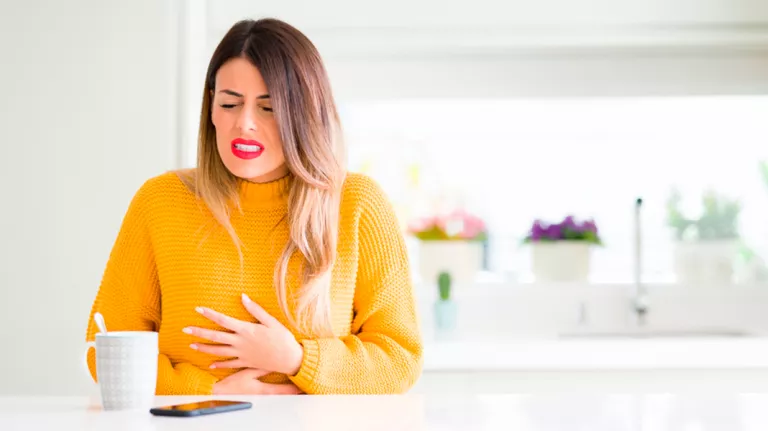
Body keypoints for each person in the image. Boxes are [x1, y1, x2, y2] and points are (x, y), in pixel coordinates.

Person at [84, 18, 423, 395]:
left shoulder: (358, 205)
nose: (244, 123)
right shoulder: (160, 202)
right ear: (211, 109)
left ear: (304, 114)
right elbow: (105, 347)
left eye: (269, 108)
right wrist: (211, 393)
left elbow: (399, 359)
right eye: (229, 103)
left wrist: (295, 360)